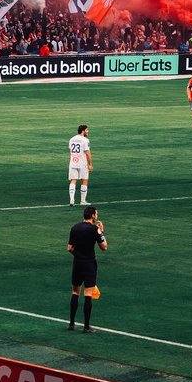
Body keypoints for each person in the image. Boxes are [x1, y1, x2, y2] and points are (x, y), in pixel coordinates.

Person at [67, 205, 107, 333]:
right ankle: (86, 326)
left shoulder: (75, 227)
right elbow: (104, 247)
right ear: (93, 215)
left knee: (75, 292)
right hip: (89, 263)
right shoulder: (95, 229)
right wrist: (102, 232)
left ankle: (72, 323)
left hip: (77, 262)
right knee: (88, 294)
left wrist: (78, 255)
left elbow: (70, 248)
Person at [67, 123, 92, 206]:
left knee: (73, 180)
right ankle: (82, 201)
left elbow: (70, 151)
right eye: (87, 130)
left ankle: (71, 200)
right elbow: (87, 153)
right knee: (84, 180)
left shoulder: (71, 139)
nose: (88, 132)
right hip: (82, 163)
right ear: (83, 131)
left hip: (73, 162)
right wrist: (90, 164)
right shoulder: (85, 140)